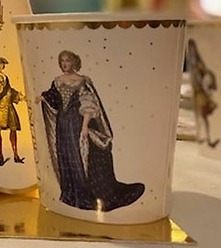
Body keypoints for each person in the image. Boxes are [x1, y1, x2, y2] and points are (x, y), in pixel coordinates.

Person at [37, 50, 144, 212]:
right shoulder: (57, 81)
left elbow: (89, 106)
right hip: (63, 125)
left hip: (76, 123)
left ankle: (83, 193)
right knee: (65, 155)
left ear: (74, 62)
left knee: (79, 156)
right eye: (62, 61)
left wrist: (85, 125)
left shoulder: (82, 82)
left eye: (67, 60)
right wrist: (42, 97)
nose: (64, 64)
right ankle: (70, 194)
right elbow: (53, 98)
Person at [186, 38, 219, 148]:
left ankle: (208, 138)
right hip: (195, 93)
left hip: (201, 93)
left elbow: (206, 75)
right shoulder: (190, 64)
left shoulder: (199, 64)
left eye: (192, 49)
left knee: (204, 117)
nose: (191, 52)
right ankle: (201, 137)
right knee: (198, 116)